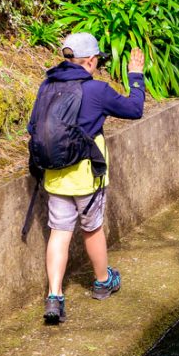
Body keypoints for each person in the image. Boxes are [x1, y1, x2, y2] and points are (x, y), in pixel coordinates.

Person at [28, 32, 147, 324]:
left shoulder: (47, 85)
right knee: (92, 229)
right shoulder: (96, 90)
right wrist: (136, 76)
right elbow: (135, 109)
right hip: (86, 176)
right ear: (92, 60)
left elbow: (33, 125)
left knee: (59, 232)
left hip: (54, 175)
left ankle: (54, 296)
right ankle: (103, 281)